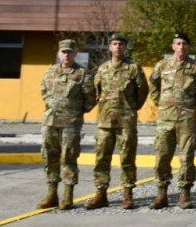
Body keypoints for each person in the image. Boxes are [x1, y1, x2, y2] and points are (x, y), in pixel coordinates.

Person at [87, 33, 148, 210]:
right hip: (105, 121)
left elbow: (142, 91)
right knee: (101, 158)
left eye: (121, 44)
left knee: (127, 158)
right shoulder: (103, 69)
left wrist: (131, 109)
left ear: (125, 47)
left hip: (126, 122)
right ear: (110, 47)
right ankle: (101, 193)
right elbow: (96, 92)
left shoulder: (134, 68)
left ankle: (127, 193)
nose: (118, 47)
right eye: (114, 44)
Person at [149, 32, 196, 209]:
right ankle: (162, 194)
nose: (181, 47)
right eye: (178, 43)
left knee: (187, 157)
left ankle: (184, 193)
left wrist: (191, 107)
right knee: (162, 156)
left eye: (184, 44)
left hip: (186, 119)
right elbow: (154, 86)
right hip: (165, 119)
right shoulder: (162, 65)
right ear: (173, 46)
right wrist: (161, 103)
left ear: (188, 47)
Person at [36, 39, 96, 210]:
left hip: (71, 123)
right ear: (58, 54)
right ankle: (51, 194)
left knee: (68, 158)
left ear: (75, 53)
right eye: (63, 52)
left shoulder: (82, 74)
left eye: (69, 52)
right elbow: (44, 92)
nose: (66, 55)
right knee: (50, 156)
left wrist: (75, 112)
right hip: (50, 121)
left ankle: (68, 196)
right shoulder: (50, 72)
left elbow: (90, 99)